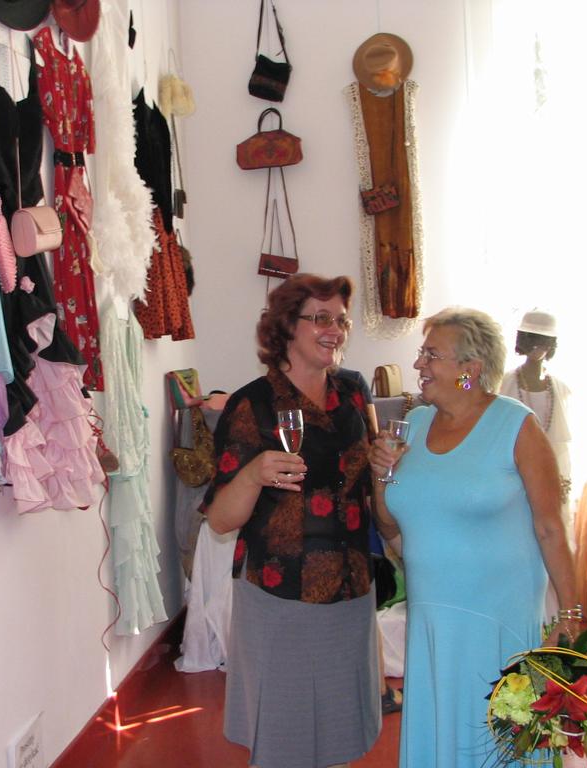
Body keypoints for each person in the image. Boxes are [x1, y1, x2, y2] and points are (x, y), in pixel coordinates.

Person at [369, 307, 578, 768]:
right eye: (422, 353)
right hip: (432, 618)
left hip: (497, 620)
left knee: (496, 741)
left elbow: (550, 527)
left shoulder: (516, 426)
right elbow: (389, 526)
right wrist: (380, 474)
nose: (419, 364)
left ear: (471, 369)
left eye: (432, 355)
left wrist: (572, 613)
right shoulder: (414, 424)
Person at [203, 274, 380, 768]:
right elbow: (220, 520)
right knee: (285, 735)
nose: (335, 329)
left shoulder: (353, 395)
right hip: (281, 593)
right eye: (320, 318)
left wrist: (387, 465)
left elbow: (368, 480)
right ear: (286, 326)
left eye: (341, 320)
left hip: (350, 587)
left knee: (341, 732)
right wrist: (253, 474)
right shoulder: (252, 405)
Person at [499, 310, 573, 528]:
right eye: (531, 339)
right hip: (512, 472)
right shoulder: (503, 382)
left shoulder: (561, 389)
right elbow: (464, 387)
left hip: (551, 473)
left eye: (543, 341)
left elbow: (562, 448)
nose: (537, 347)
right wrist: (463, 374)